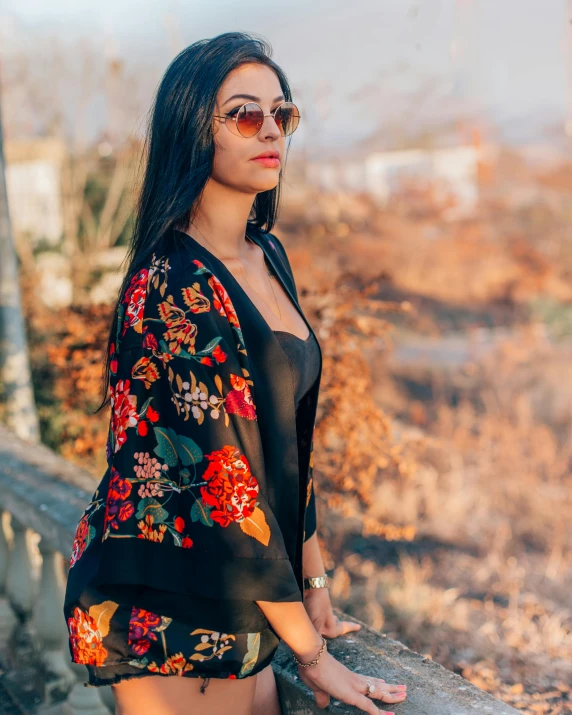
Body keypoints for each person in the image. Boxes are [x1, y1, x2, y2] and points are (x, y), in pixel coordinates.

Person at [62, 31, 408, 715]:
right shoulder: (172, 286)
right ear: (195, 129)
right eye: (245, 114)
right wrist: (313, 656)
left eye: (283, 114)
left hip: (247, 598)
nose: (270, 129)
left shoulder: (266, 253)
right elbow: (229, 481)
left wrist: (316, 584)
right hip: (168, 606)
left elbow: (288, 442)